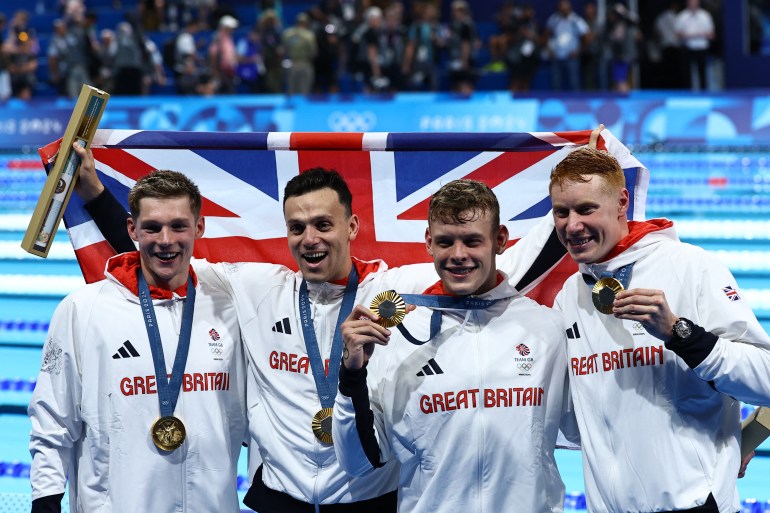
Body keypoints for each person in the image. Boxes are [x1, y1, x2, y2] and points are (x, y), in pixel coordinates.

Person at [74, 148, 542, 512]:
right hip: (280, 503)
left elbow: (495, 264)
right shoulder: (257, 289)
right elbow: (167, 252)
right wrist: (95, 192)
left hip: (368, 503)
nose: (311, 238)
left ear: (352, 225)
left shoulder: (394, 288)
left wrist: (580, 210)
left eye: (323, 224)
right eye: (297, 227)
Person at [333, 179, 577, 512]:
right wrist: (351, 376)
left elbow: (582, 429)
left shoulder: (544, 329)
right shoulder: (397, 337)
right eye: (446, 242)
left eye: (472, 241)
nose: (458, 255)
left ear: (500, 240)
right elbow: (360, 462)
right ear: (429, 243)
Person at [549, 145, 770, 513]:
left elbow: (765, 377)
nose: (572, 225)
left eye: (586, 209)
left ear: (622, 202)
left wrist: (680, 333)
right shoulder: (570, 296)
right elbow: (576, 424)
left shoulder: (690, 267)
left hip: (696, 506)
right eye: (562, 212)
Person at [28, 164, 248, 512]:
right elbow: (53, 419)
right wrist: (46, 497)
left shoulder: (230, 303)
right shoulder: (83, 309)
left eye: (178, 226)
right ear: (132, 229)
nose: (165, 240)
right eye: (152, 227)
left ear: (199, 227)